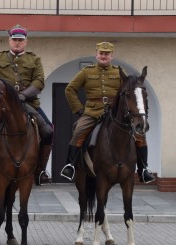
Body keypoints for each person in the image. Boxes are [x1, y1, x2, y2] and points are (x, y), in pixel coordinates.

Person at [60, 41, 155, 183]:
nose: (104, 56)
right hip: (93, 112)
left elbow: (129, 89)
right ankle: (70, 165)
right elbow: (70, 89)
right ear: (96, 55)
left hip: (114, 112)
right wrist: (79, 109)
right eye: (101, 53)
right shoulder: (87, 72)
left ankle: (143, 169)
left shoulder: (119, 72)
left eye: (107, 54)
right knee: (79, 131)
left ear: (111, 56)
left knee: (139, 135)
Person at [0, 24, 54, 186]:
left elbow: (39, 81)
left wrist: (23, 95)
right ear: (9, 41)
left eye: (20, 40)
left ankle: (40, 171)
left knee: (48, 131)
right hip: (3, 103)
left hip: (27, 103)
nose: (17, 43)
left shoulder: (34, 59)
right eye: (14, 40)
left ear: (25, 42)